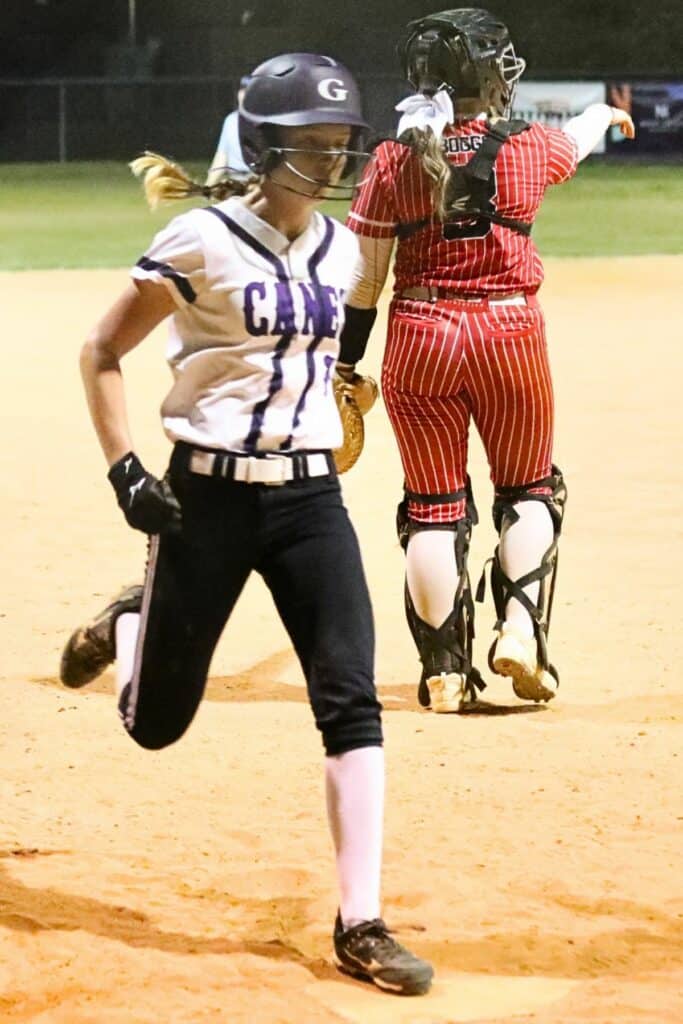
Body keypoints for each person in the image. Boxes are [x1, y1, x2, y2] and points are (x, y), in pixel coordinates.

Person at [58, 52, 433, 996]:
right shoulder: (201, 241)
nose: (333, 162)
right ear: (263, 147)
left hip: (311, 503)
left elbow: (326, 349)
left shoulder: (343, 248)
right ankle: (135, 621)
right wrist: (124, 471)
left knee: (350, 699)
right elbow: (101, 349)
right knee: (156, 728)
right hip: (207, 500)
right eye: (311, 146)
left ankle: (362, 922)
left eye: (341, 143)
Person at [337, 8, 635, 713]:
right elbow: (576, 142)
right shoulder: (530, 148)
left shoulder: (391, 160)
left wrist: (347, 366)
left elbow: (362, 284)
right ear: (491, 77)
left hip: (419, 335)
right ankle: (520, 632)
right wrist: (601, 115)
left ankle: (443, 672)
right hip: (509, 334)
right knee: (529, 491)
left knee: (433, 509)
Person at [206, 74, 252, 186]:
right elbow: (222, 156)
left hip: (256, 183)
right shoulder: (231, 120)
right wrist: (208, 186)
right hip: (235, 182)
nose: (243, 95)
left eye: (249, 91)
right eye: (242, 90)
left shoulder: (265, 122)